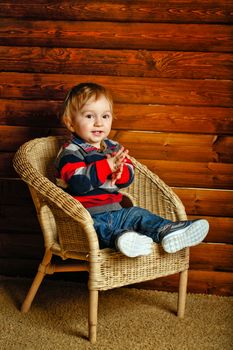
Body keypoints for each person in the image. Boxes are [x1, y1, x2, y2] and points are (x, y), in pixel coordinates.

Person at [55, 82, 209, 258]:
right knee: (99, 229)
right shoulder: (71, 151)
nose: (99, 122)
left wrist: (120, 171)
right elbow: (78, 184)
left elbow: (129, 176)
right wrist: (107, 166)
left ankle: (167, 231)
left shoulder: (113, 147)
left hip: (116, 210)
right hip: (86, 216)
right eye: (90, 116)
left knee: (138, 214)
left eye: (105, 116)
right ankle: (123, 239)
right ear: (71, 123)